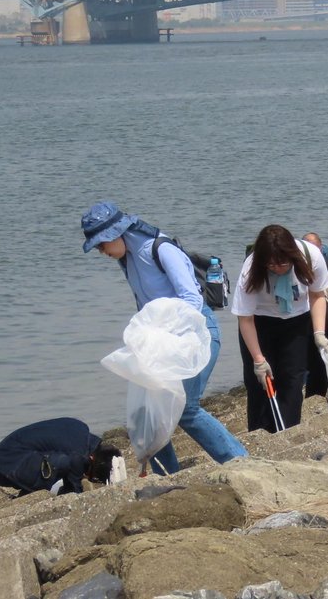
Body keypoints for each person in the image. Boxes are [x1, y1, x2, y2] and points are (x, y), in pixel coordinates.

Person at [81, 202, 247, 473]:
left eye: (102, 245)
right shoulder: (127, 259)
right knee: (149, 411)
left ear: (117, 233)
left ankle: (240, 462)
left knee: (186, 409)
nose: (102, 252)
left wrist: (168, 335)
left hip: (197, 334)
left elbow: (192, 299)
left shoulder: (161, 249)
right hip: (163, 343)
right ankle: (166, 476)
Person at [233, 225, 328, 433]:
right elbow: (245, 319)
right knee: (259, 383)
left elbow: (317, 295)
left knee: (292, 379)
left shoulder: (310, 256)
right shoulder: (251, 268)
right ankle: (260, 435)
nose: (278, 268)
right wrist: (258, 360)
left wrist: (319, 333)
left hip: (297, 320)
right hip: (259, 323)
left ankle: (288, 432)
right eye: (271, 265)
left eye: (283, 263)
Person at [0, 417, 120, 497]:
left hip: (1, 458)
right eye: (91, 474)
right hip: (2, 466)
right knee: (69, 462)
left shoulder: (81, 429)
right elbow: (75, 463)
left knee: (65, 461)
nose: (87, 476)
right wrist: (77, 492)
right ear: (92, 458)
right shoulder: (79, 454)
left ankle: (32, 488)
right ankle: (62, 491)